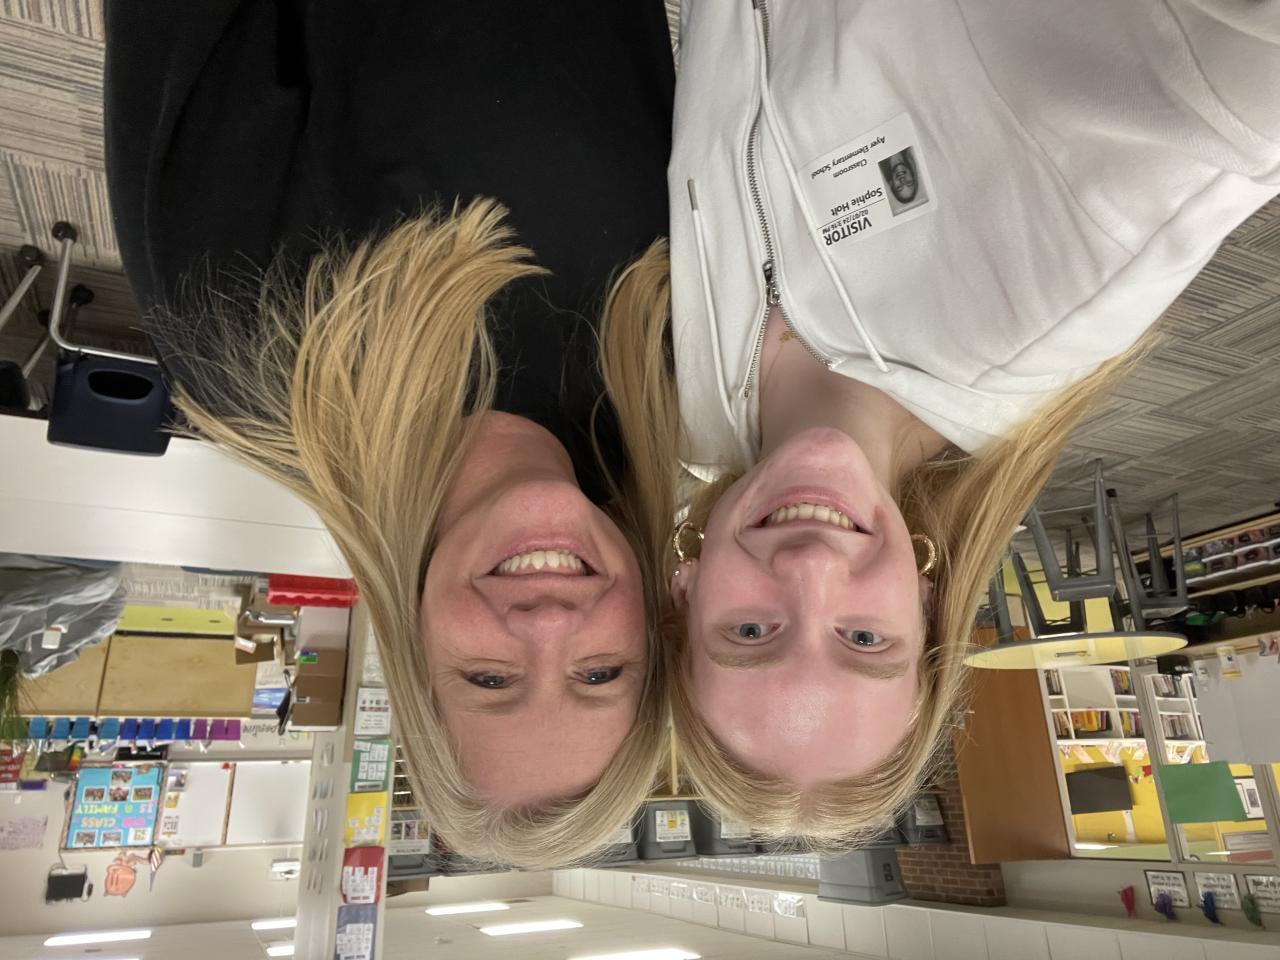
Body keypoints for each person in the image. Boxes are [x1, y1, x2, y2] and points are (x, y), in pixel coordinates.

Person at [660, 0, 1280, 844]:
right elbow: (1234, 97)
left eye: (750, 632)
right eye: (864, 637)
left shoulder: (692, 402)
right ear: (925, 605)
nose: (811, 568)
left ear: (686, 589)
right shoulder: (1055, 297)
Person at [103, 1, 675, 867]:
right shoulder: (661, 358)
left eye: (490, 679)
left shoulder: (250, 352)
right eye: (600, 674)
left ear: (415, 649)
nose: (551, 624)